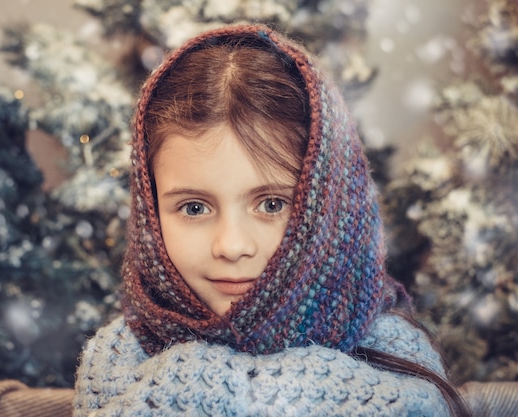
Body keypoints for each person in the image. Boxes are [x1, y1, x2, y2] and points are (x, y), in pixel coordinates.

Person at [73, 24, 473, 416]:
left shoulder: (398, 372)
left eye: (271, 205)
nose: (231, 246)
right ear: (151, 213)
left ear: (330, 208)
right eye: (194, 208)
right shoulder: (117, 368)